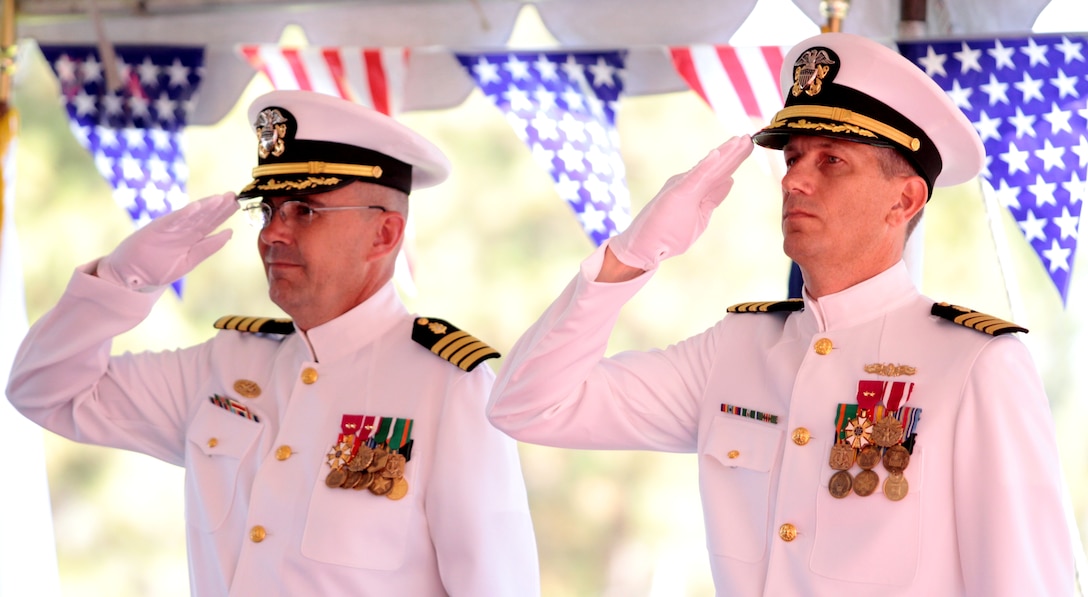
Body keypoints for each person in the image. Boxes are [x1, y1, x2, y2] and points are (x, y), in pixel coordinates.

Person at [486, 32, 1075, 595]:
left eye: (832, 161)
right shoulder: (737, 349)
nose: (794, 179)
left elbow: (1025, 583)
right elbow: (527, 407)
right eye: (793, 158)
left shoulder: (975, 364)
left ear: (905, 198)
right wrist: (630, 256)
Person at [7, 90, 539, 596]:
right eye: (268, 210)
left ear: (385, 235)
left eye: (305, 210)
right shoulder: (228, 365)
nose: (271, 234)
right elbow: (43, 390)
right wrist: (120, 283)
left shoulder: (449, 387)